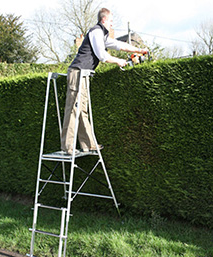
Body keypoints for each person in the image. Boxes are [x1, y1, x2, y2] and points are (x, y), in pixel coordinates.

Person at [61, 8, 148, 155]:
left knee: (82, 109)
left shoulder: (103, 35)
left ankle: (89, 144)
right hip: (77, 72)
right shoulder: (96, 31)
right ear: (103, 20)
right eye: (111, 21)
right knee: (73, 109)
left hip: (85, 75)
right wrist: (119, 61)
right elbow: (102, 55)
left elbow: (119, 45)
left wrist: (140, 50)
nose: (112, 24)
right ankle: (67, 147)